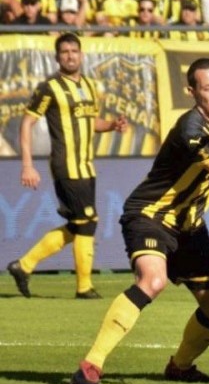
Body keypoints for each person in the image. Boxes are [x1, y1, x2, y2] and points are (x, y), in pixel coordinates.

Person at [70, 58, 209, 384]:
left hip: (189, 227)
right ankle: (90, 366)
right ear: (191, 92)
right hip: (150, 216)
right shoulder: (191, 130)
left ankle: (180, 367)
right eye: (207, 88)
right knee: (153, 281)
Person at [8, 33, 126, 300]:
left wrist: (111, 126)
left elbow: (91, 121)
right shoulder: (49, 87)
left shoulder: (88, 85)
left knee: (79, 225)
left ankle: (23, 265)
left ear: (81, 55)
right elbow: (26, 123)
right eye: (65, 52)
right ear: (57, 57)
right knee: (88, 222)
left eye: (74, 51)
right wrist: (27, 165)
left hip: (86, 166)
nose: (70, 55)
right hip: (66, 165)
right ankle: (84, 287)